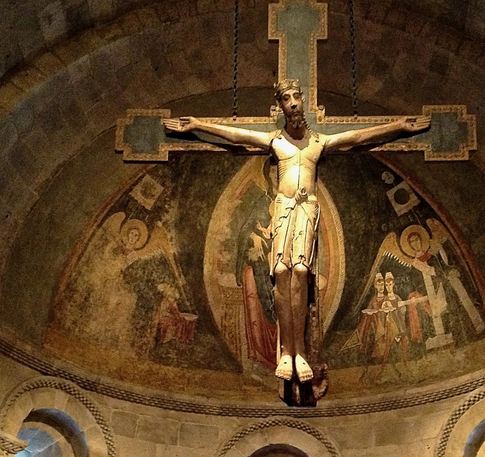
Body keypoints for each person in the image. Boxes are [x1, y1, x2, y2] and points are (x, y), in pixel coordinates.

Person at [163, 79, 430, 382]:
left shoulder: (318, 142)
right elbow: (237, 135)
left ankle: (299, 351)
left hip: (306, 207)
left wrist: (398, 126)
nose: (292, 102)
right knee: (280, 270)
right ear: (280, 106)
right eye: (285, 98)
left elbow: (357, 136)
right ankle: (286, 351)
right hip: (283, 208)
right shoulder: (275, 141)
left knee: (300, 271)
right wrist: (199, 125)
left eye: (295, 97)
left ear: (302, 100)